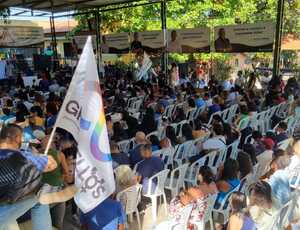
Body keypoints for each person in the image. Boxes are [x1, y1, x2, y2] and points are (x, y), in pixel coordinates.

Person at [0, 124, 57, 229]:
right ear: (17, 138)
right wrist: (40, 157)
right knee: (39, 197)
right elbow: (52, 164)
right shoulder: (23, 156)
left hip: (4, 206)